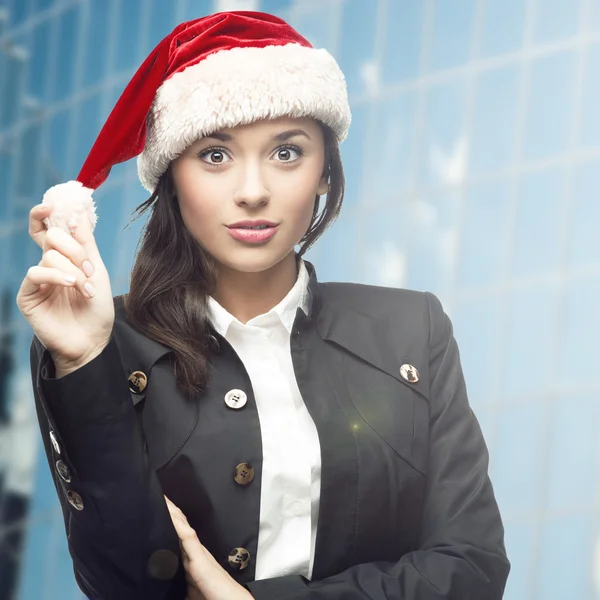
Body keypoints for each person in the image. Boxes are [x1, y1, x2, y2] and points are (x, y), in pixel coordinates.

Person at [16, 10, 510, 600]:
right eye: (215, 156)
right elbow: (120, 580)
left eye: (286, 153)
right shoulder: (103, 340)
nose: (252, 191)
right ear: (171, 176)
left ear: (325, 169)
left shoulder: (412, 329)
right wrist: (85, 363)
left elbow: (472, 568)